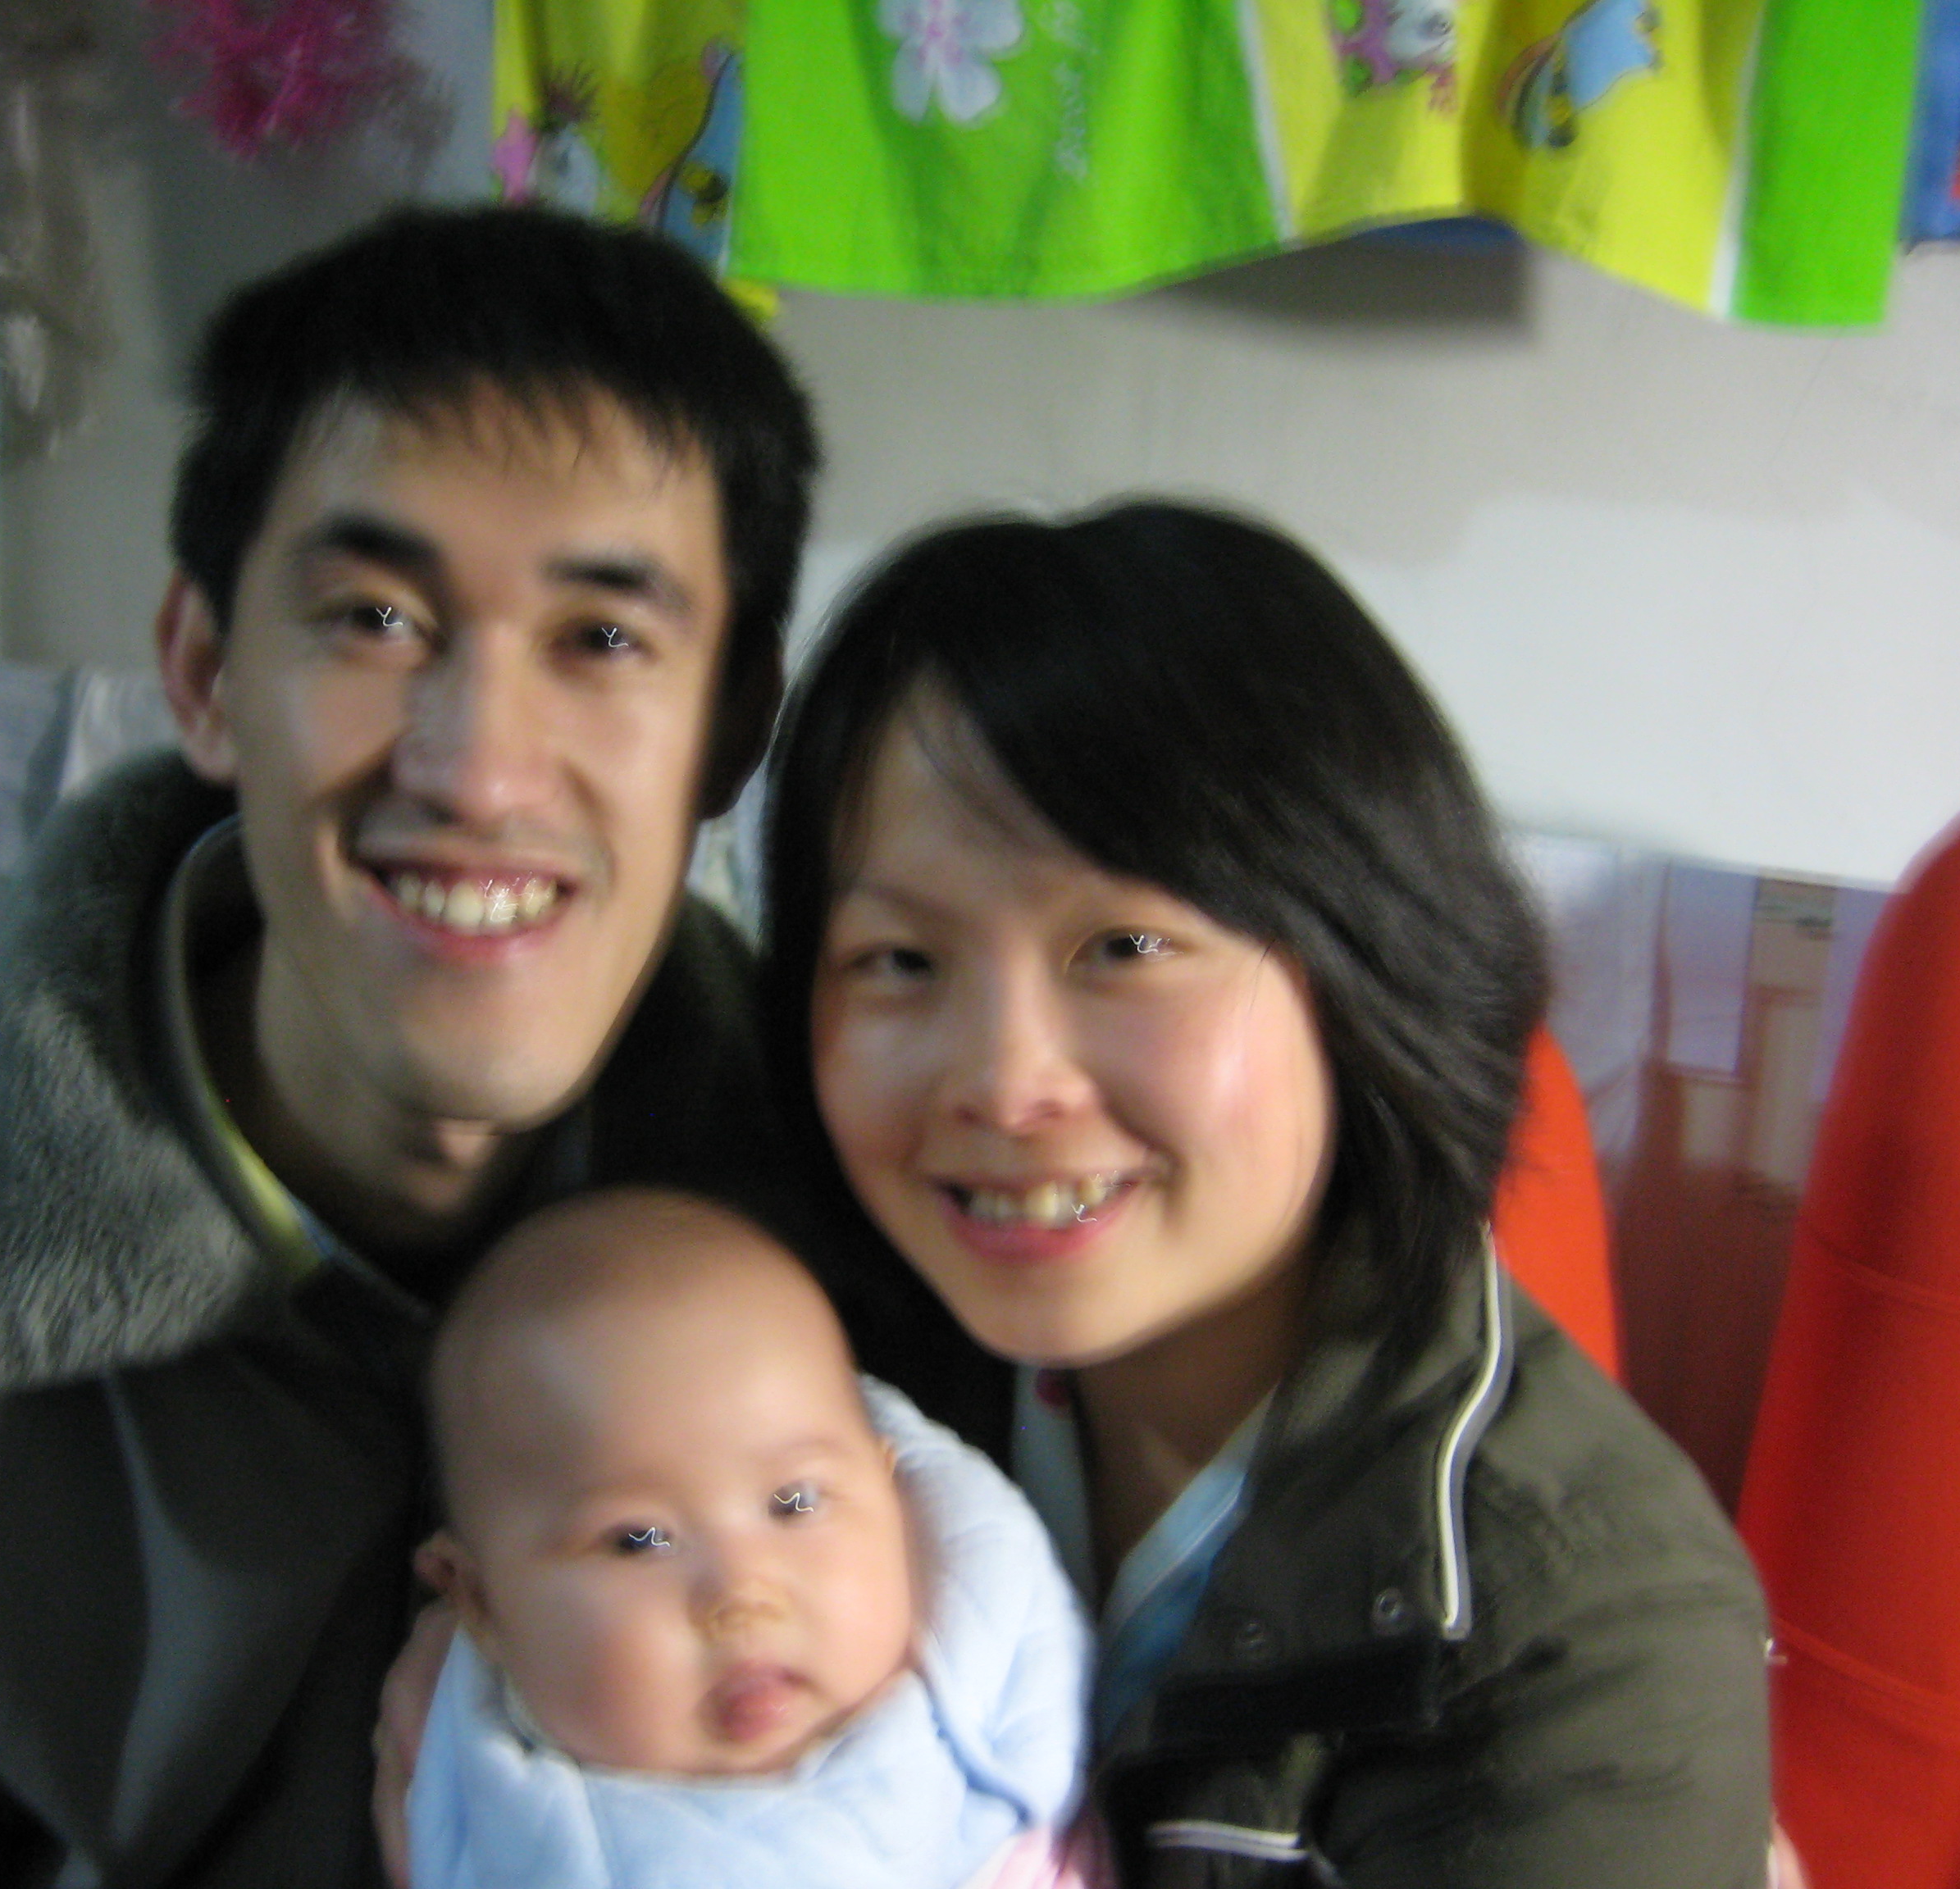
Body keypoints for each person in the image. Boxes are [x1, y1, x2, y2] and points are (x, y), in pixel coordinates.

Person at [0, 203, 819, 1888]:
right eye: (375, 619)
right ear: (206, 673)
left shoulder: (858, 1216)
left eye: (602, 638)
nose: (479, 769)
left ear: (730, 728)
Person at [757, 502, 1774, 1887]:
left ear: (1358, 964)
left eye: (1124, 945)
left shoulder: (1578, 1637)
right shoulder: (797, 1368)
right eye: (898, 959)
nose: (1002, 1082)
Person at [407, 1185, 1092, 1889]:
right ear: (481, 1604)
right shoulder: (521, 1839)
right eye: (639, 1540)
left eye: (794, 1503)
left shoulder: (992, 1691)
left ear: (890, 1495)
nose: (742, 1593)